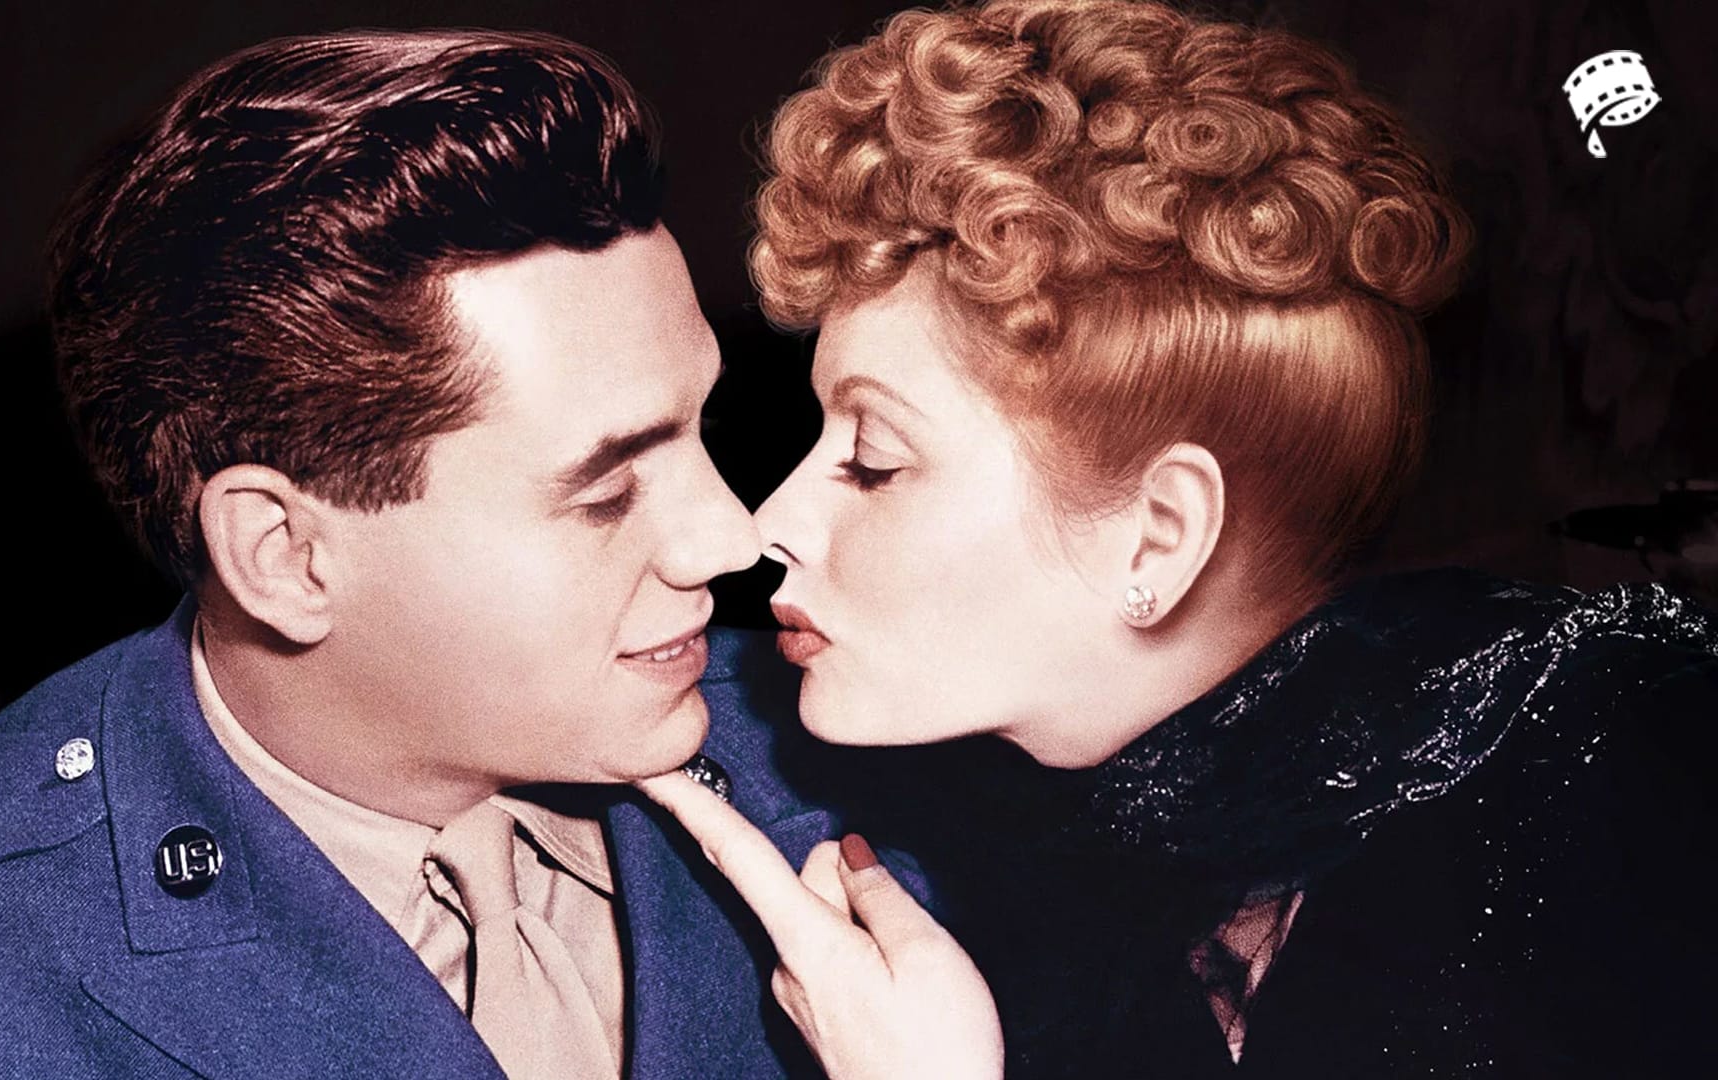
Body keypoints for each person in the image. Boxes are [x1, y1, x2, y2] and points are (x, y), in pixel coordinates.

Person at [639, 1, 1718, 1077]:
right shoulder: (1020, 856)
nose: (766, 524)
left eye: (875, 460)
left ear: (1158, 539)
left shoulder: (1605, 793)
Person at [0, 29, 887, 1078]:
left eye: (704, 426)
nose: (730, 536)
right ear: (284, 556)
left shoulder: (886, 759)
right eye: (605, 492)